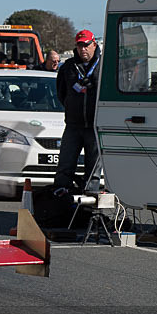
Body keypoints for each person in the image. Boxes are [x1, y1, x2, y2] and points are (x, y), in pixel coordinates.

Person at [54, 30, 101, 194]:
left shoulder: (104, 66)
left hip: (95, 125)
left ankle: (91, 198)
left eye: (86, 45)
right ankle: (61, 194)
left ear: (94, 44)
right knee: (65, 164)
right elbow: (61, 93)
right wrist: (71, 106)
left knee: (93, 166)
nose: (83, 49)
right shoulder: (68, 67)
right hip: (73, 125)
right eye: (80, 46)